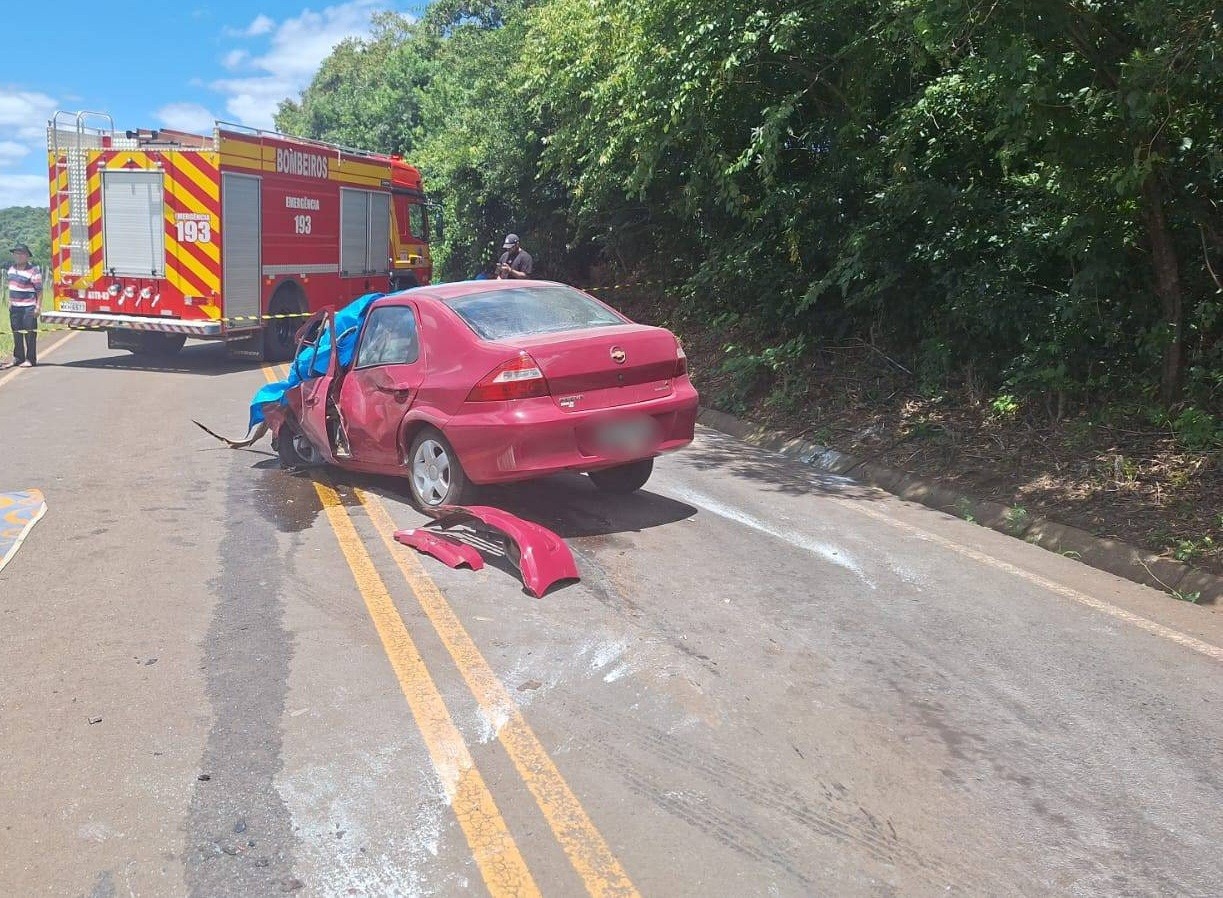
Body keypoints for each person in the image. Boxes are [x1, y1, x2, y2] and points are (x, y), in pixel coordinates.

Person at [3, 243, 43, 368]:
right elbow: (11, 287)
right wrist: (10, 301)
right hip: (15, 307)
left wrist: (38, 307)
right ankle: (18, 357)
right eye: (16, 253)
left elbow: (39, 291)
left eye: (21, 254)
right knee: (16, 332)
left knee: (30, 333)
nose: (18, 256)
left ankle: (30, 359)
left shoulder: (33, 271)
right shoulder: (11, 269)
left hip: (28, 307)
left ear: (27, 256)